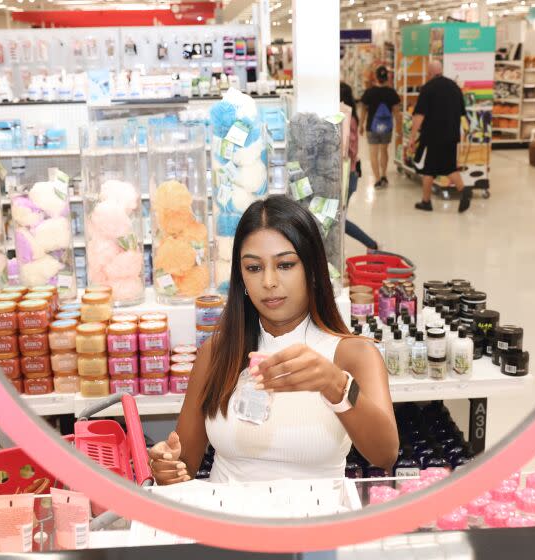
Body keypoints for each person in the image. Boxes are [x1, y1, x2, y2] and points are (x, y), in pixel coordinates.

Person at [147, 196, 398, 484]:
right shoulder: (216, 353)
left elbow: (385, 453)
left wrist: (336, 385)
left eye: (286, 265)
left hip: (316, 523)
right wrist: (167, 467)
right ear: (240, 278)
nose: (268, 282)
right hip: (228, 523)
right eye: (254, 268)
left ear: (313, 270)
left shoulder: (353, 354)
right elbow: (184, 464)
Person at [409, 60, 472, 213]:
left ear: (430, 73)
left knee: (428, 169)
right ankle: (463, 190)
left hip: (432, 136)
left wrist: (412, 136)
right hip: (451, 135)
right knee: (449, 166)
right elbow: (462, 114)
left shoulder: (428, 88)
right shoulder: (455, 87)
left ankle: (426, 201)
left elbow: (419, 115)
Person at [340, 82, 379, 251]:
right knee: (338, 219)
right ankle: (371, 244)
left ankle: (371, 244)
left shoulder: (347, 120)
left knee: (339, 219)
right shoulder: (350, 117)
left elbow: (347, 149)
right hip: (349, 173)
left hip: (347, 175)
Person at [359, 66, 401, 190]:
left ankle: (377, 180)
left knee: (373, 152)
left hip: (372, 126)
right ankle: (383, 175)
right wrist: (399, 127)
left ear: (376, 77)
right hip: (387, 127)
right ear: (387, 78)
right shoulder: (392, 93)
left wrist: (361, 125)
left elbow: (363, 111)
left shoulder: (369, 92)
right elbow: (396, 113)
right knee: (384, 150)